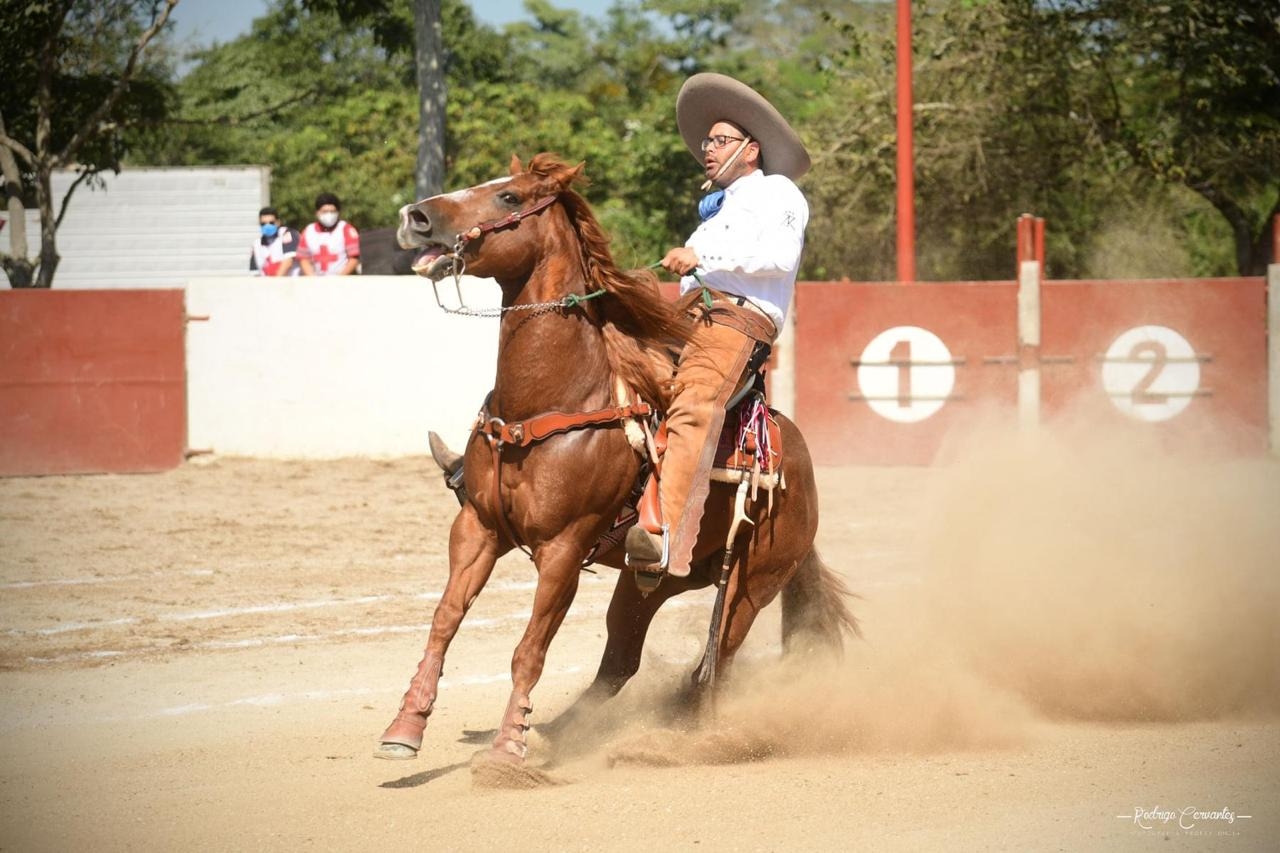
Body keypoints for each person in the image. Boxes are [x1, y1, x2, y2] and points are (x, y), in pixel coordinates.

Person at [622, 72, 811, 579]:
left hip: (736, 322)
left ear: (750, 150)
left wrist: (701, 254)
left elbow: (779, 256)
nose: (707, 148)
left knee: (693, 404)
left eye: (719, 140)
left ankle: (663, 539)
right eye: (707, 141)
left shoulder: (779, 193)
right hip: (690, 320)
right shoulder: (713, 215)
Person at [298, 192, 361, 275]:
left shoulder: (346, 229)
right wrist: (312, 279)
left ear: (338, 213)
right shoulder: (308, 231)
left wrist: (339, 279)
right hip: (316, 284)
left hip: (342, 283)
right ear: (317, 213)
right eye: (325, 211)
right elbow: (303, 258)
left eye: (332, 211)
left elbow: (354, 258)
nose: (329, 214)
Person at [249, 206, 301, 277]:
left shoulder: (287, 233)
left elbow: (288, 261)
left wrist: (275, 283)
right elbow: (255, 273)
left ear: (278, 222)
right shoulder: (256, 244)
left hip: (290, 285)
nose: (267, 226)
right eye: (263, 224)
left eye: (271, 223)